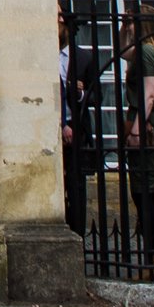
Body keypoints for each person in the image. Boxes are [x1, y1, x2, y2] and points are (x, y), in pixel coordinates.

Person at [113, 5, 154, 276]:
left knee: (143, 193)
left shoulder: (148, 52)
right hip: (153, 123)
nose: (128, 24)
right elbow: (122, 53)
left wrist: (137, 130)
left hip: (151, 126)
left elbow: (149, 94)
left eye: (131, 21)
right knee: (153, 193)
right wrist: (124, 28)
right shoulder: (147, 49)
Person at [57, 13, 104, 238]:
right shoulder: (41, 54)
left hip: (78, 131)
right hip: (51, 131)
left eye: (58, 20)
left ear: (67, 26)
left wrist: (81, 93)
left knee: (77, 187)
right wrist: (61, 126)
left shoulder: (84, 57)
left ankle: (77, 235)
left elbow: (98, 96)